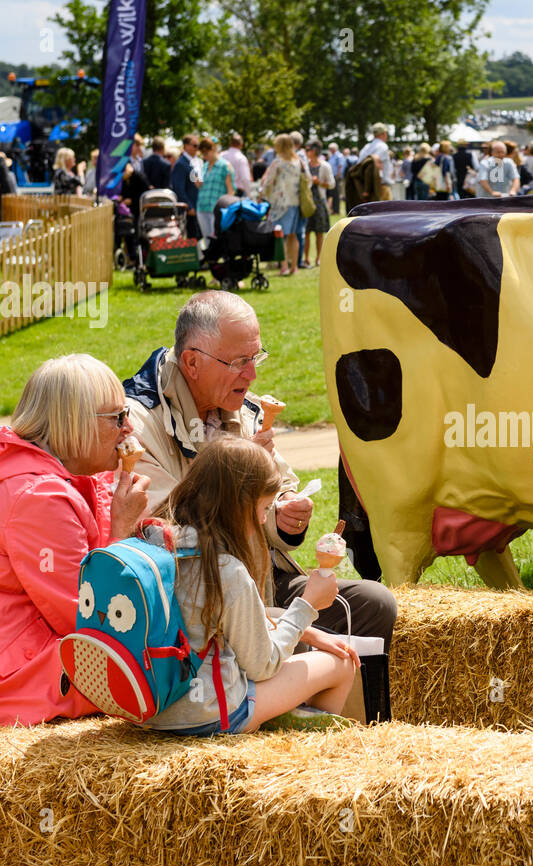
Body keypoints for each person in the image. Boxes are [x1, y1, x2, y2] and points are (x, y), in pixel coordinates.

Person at [123, 291, 398, 650]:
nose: (252, 375)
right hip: (197, 597)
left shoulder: (242, 408)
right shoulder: (137, 424)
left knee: (374, 605)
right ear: (192, 363)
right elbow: (160, 533)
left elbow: (278, 491)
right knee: (295, 640)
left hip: (263, 579)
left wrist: (284, 514)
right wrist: (234, 477)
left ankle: (344, 704)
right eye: (239, 362)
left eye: (255, 358)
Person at [0, 354, 150, 727]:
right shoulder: (40, 498)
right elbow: (90, 620)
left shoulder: (58, 479)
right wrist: (123, 529)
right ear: (75, 424)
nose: (129, 427)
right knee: (152, 676)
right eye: (117, 417)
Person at [139, 439, 358, 736]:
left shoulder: (154, 541)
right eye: (265, 507)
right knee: (341, 664)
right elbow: (261, 665)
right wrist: (308, 605)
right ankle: (308, 754)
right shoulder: (225, 570)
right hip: (211, 715)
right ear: (239, 505)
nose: (265, 519)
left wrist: (308, 632)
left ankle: (287, 721)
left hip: (150, 709)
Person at [257, 134, 305, 276]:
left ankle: (283, 266)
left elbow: (268, 182)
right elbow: (307, 178)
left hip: (279, 203)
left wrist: (261, 194)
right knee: (293, 236)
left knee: (280, 236)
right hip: (295, 202)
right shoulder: (299, 161)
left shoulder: (277, 162)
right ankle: (294, 266)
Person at [303, 140, 335, 267]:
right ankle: (305, 258)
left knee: (319, 232)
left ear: (315, 151)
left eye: (308, 149)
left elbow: (332, 184)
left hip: (320, 201)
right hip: (307, 201)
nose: (306, 152)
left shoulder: (325, 166)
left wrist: (319, 182)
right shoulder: (304, 165)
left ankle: (318, 258)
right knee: (305, 231)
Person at [195, 138, 233, 239]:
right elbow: (199, 186)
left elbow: (230, 189)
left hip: (217, 207)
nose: (205, 156)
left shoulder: (224, 165)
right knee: (206, 238)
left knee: (216, 238)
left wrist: (228, 209)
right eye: (203, 154)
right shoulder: (204, 166)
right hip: (202, 206)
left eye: (206, 153)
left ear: (213, 149)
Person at [357, 123, 394, 201]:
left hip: (367, 186)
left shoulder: (366, 147)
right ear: (384, 133)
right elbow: (376, 166)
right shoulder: (383, 146)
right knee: (385, 212)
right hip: (380, 186)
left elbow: (359, 164)